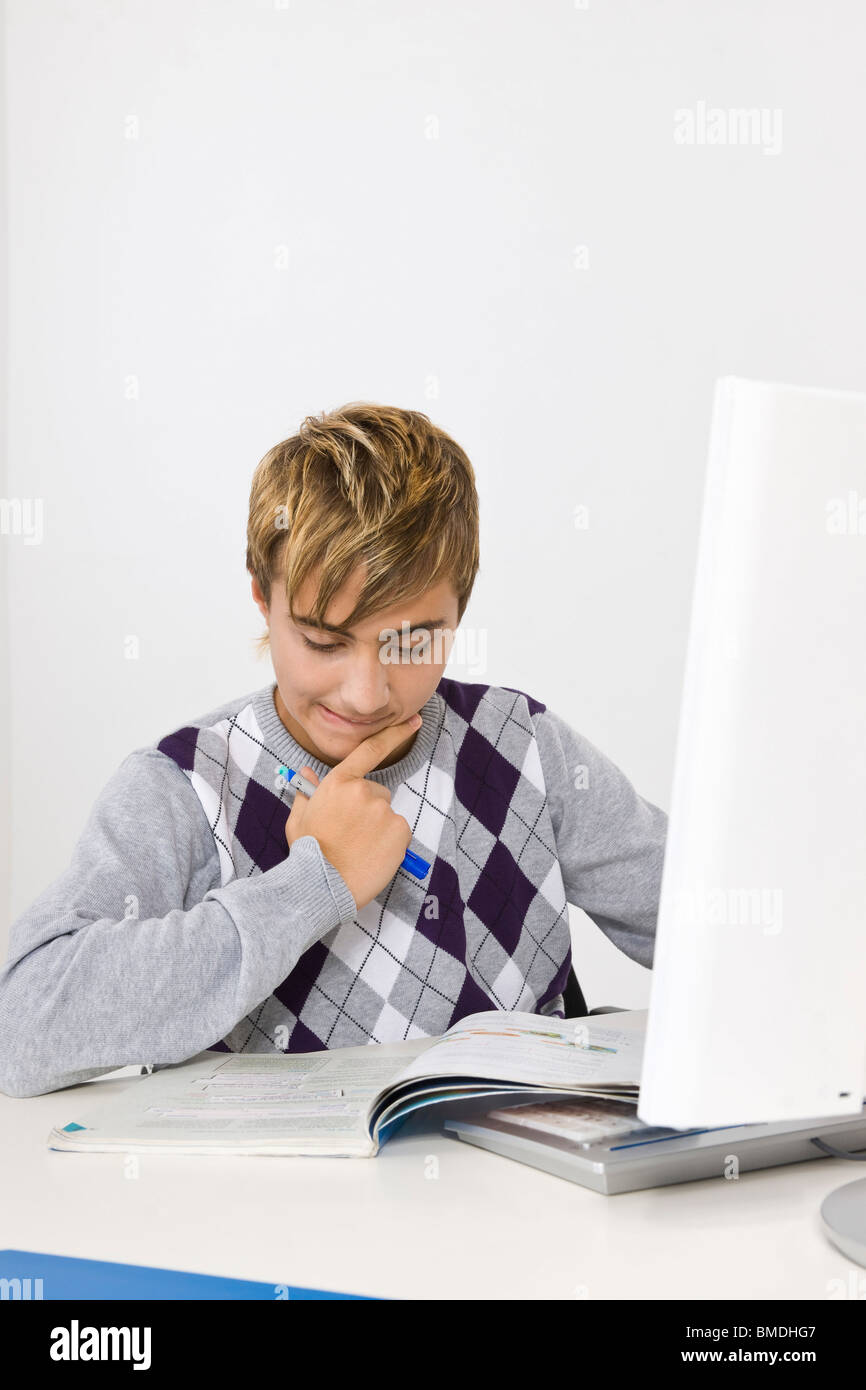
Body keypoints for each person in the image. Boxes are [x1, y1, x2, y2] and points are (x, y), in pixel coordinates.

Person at [0, 403, 667, 1097]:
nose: (365, 692)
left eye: (413, 642)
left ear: (459, 611)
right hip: (275, 1200)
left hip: (514, 1193)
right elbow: (22, 1028)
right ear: (264, 598)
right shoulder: (183, 788)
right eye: (324, 641)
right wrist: (314, 883)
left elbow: (719, 928)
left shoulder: (523, 745)